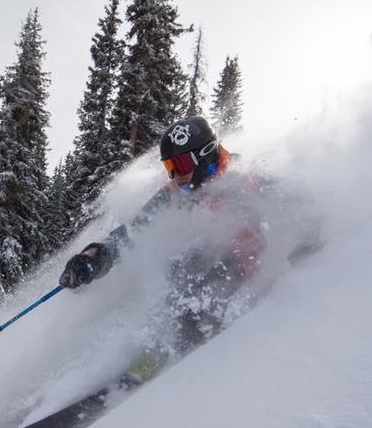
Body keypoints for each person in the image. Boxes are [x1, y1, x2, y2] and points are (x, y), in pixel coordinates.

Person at [59, 115, 316, 381]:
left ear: (205, 156)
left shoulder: (246, 181)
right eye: (170, 167)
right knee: (178, 267)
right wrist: (94, 258)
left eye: (181, 164)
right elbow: (132, 231)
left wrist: (307, 242)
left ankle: (180, 349)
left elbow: (302, 205)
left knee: (198, 269)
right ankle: (158, 348)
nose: (176, 176)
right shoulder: (174, 194)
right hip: (206, 273)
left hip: (247, 276)